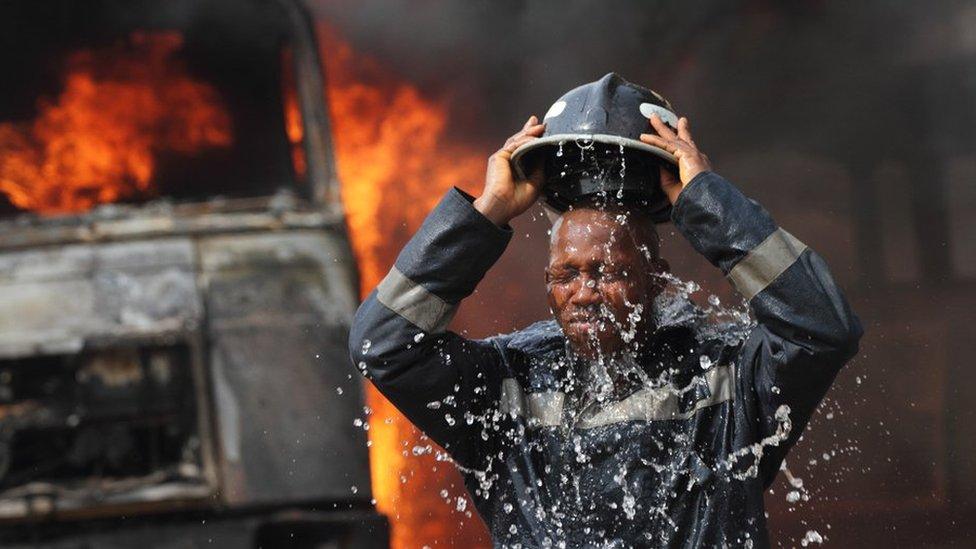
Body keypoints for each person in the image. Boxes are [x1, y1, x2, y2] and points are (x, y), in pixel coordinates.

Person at [349, 87, 862, 547]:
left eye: (609, 272)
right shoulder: (508, 381)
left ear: (656, 279)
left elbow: (822, 328)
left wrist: (708, 202)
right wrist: (486, 214)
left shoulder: (724, 375)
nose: (584, 294)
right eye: (565, 275)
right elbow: (383, 345)